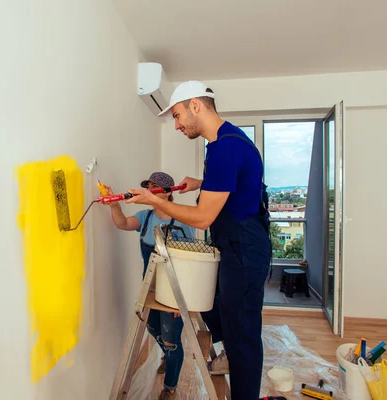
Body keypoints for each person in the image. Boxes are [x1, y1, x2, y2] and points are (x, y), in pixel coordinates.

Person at [124, 81, 272, 400]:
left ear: (196, 105)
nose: (176, 125)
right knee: (215, 306)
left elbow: (203, 218)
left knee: (243, 335)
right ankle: (229, 353)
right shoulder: (226, 141)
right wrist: (200, 183)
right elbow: (237, 183)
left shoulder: (225, 148)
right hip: (235, 244)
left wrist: (156, 201)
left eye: (177, 116)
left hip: (244, 249)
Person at [105, 171, 196, 400]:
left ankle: (170, 387)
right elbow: (123, 223)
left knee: (171, 340)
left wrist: (180, 302)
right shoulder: (145, 217)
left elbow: (191, 263)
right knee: (152, 327)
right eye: (148, 186)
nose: (149, 190)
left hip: (174, 292)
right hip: (151, 289)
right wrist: (114, 205)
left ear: (167, 192)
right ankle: (168, 355)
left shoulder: (183, 221)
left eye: (155, 186)